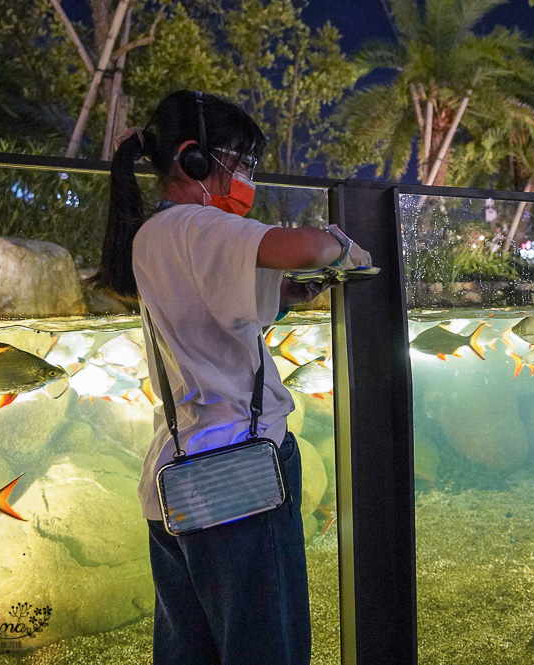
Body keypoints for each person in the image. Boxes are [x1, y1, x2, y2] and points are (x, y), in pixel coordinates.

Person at [88, 90, 371, 665]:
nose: (247, 178)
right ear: (193, 159)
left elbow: (220, 308)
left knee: (192, 648)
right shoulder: (196, 223)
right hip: (238, 475)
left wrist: (289, 295)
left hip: (178, 474)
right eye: (239, 163)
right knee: (267, 648)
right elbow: (304, 245)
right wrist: (343, 246)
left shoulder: (158, 235)